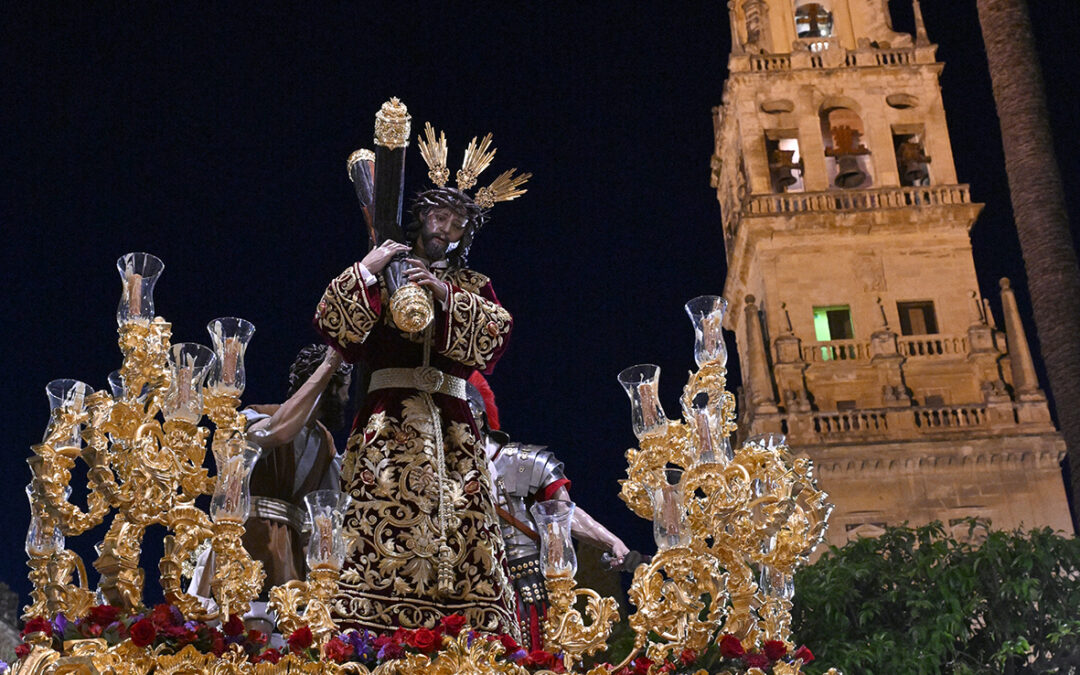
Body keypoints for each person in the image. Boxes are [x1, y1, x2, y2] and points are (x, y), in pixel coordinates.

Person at [314, 184, 518, 635]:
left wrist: (445, 296)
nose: (446, 229)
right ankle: (365, 634)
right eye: (439, 217)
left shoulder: (471, 285)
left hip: (455, 431)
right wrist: (367, 271)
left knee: (466, 526)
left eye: (457, 224)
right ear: (421, 217)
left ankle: (472, 636)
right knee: (378, 516)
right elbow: (336, 328)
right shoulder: (387, 269)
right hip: (387, 423)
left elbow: (496, 336)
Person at [189, 344, 352, 632]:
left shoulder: (326, 444)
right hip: (247, 543)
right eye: (343, 389)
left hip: (291, 556)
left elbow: (329, 511)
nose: (347, 397)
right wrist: (327, 366)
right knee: (238, 630)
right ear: (327, 385)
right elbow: (275, 433)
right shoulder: (257, 416)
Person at [466, 374, 632, 650]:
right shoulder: (448, 473)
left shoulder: (523, 462)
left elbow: (563, 515)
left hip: (525, 583)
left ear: (478, 417)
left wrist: (611, 542)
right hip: (472, 589)